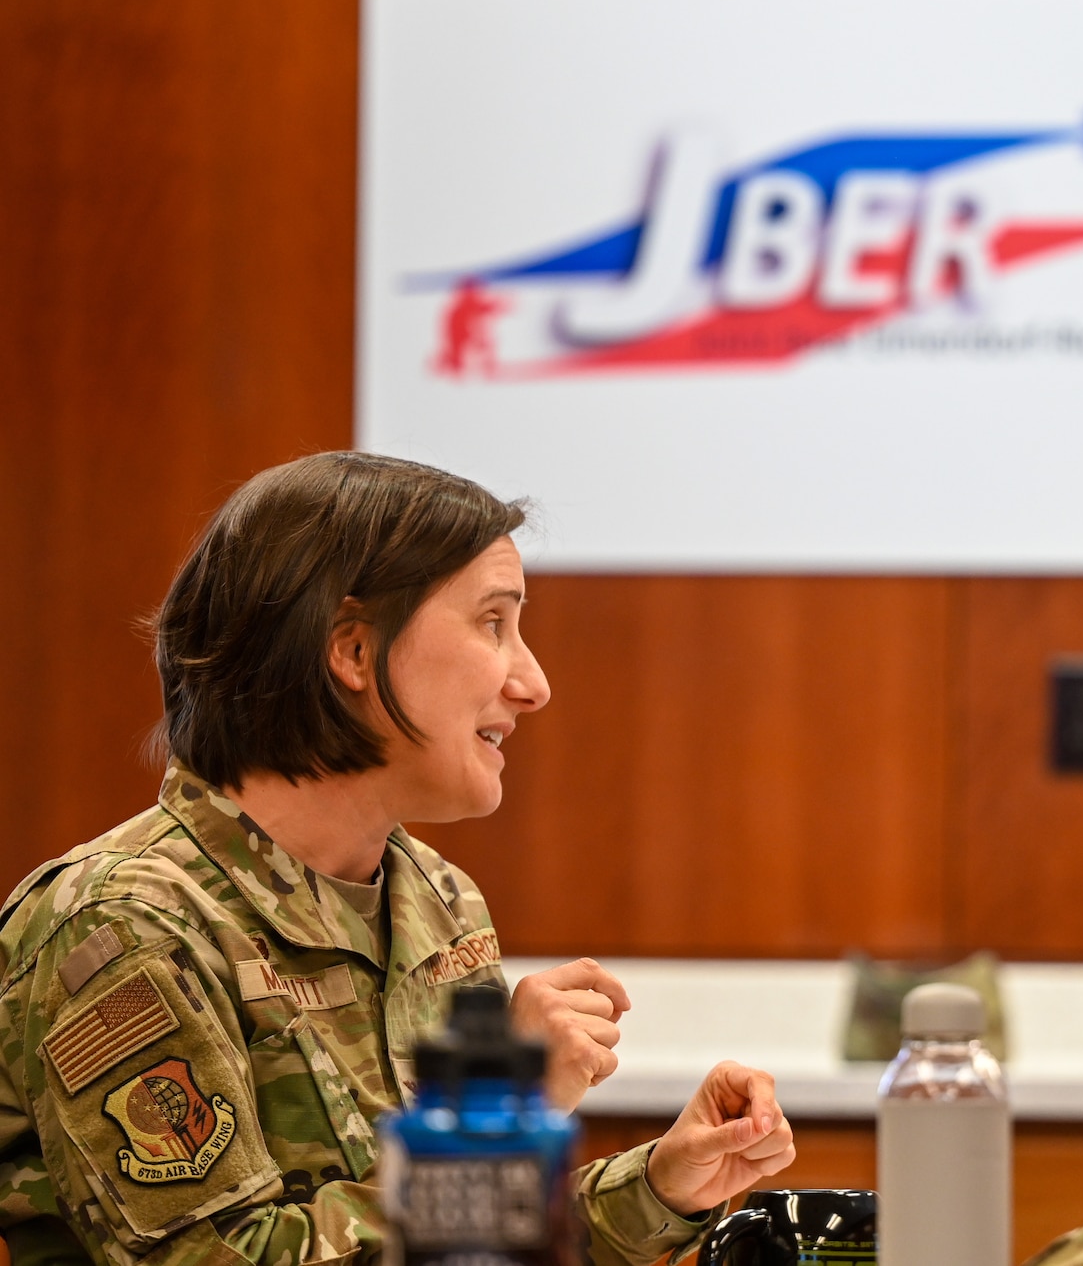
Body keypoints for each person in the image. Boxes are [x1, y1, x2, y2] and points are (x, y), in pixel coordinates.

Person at [0, 452, 796, 1264]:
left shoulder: (435, 896)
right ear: (351, 650)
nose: (534, 682)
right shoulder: (124, 925)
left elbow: (474, 1244)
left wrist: (659, 1185)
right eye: (493, 622)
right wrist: (499, 1111)